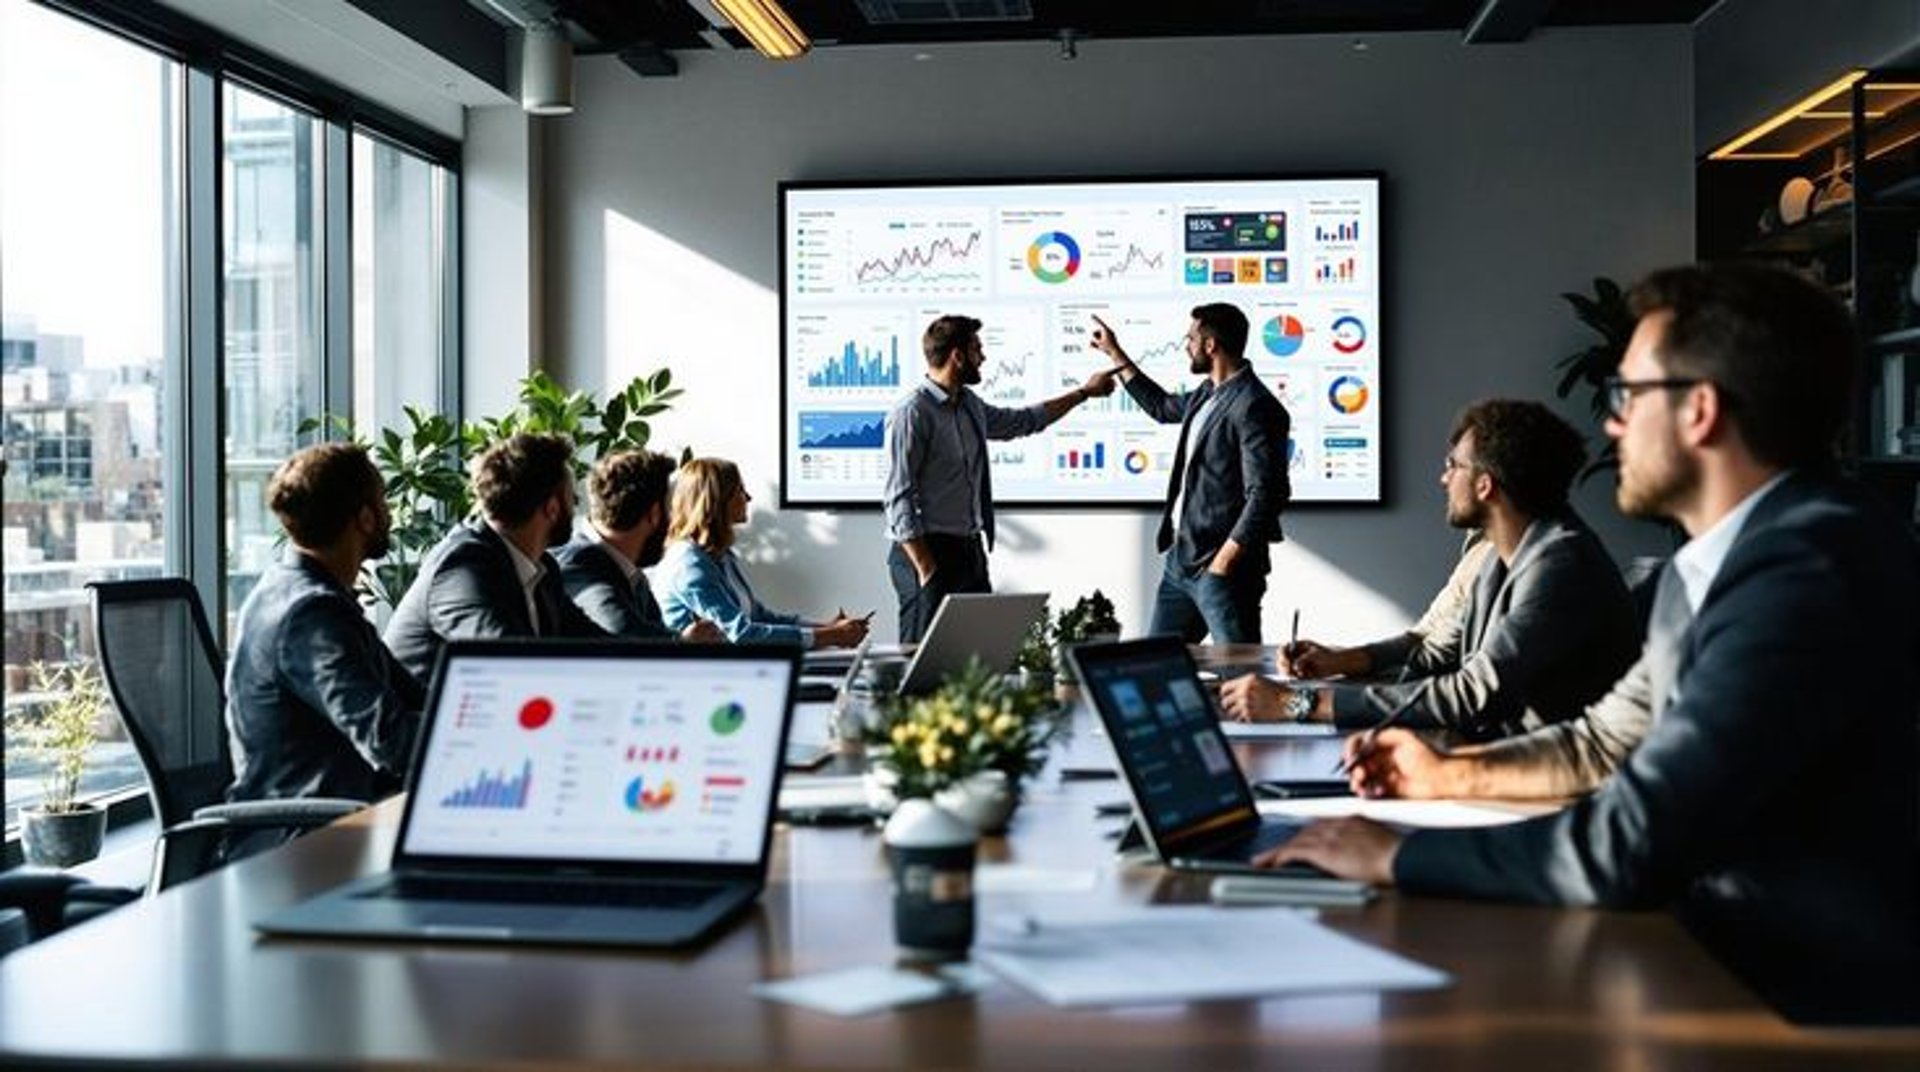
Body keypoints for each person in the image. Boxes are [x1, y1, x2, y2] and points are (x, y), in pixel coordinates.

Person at [1262, 263, 1919, 1023]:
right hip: (1709, 953)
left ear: (1699, 410)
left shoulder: (1811, 567)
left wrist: (1396, 856)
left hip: (1795, 999)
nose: (1610, 424)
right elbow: (1602, 745)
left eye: (1628, 395)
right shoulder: (1716, 563)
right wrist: (1446, 773)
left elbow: (1635, 835)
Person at [1219, 399, 1638, 739]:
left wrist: (1299, 704)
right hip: (1491, 750)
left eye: (1453, 465)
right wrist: (1337, 661)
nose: (1443, 478)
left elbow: (1472, 693)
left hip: (1536, 780)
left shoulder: (1560, 566)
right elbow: (1436, 651)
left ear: (1484, 484)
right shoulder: (1499, 555)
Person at [884, 314, 1118, 642]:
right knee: (922, 660)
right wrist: (926, 568)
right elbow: (898, 498)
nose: (984, 357)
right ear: (958, 356)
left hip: (968, 550)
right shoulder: (912, 413)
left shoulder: (968, 405)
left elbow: (1022, 421)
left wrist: (1083, 393)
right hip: (925, 552)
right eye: (977, 349)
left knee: (980, 654)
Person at [226, 443, 424, 805]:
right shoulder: (311, 615)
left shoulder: (307, 594)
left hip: (340, 811)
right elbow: (389, 739)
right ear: (365, 518)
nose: (389, 513)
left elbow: (413, 696)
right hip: (305, 838)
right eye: (383, 501)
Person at [1090, 303, 1289, 643]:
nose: (1187, 345)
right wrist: (1115, 353)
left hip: (1223, 571)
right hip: (1180, 563)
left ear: (1210, 346)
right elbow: (1161, 406)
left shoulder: (1255, 405)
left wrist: (1224, 562)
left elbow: (1267, 493)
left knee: (1239, 679)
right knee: (1157, 669)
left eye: (1191, 338)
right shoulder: (1206, 394)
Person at [384, 433, 608, 684]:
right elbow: (507, 663)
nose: (576, 509)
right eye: (574, 500)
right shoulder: (461, 567)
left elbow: (595, 645)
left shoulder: (543, 570)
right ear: (552, 508)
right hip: (429, 720)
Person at [660, 457, 870, 649]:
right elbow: (742, 634)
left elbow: (759, 617)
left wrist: (827, 628)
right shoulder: (690, 564)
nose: (749, 498)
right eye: (740, 490)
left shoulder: (721, 556)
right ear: (717, 501)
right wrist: (830, 636)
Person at [554, 449, 722, 641]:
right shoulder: (577, 563)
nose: (674, 524)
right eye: (671, 512)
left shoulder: (630, 571)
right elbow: (620, 628)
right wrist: (683, 644)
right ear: (654, 514)